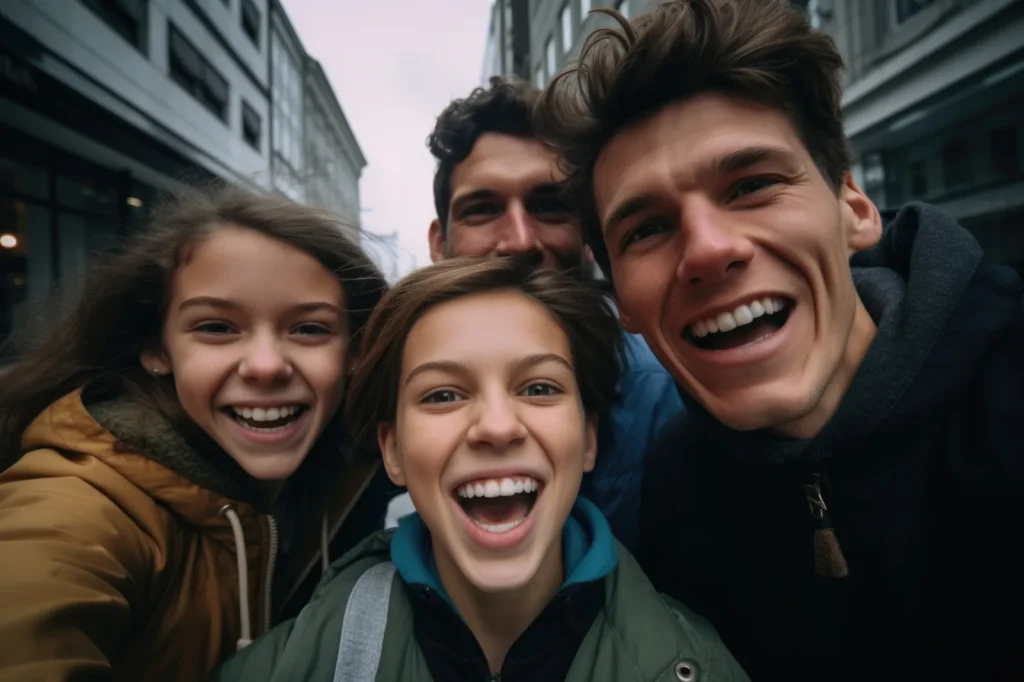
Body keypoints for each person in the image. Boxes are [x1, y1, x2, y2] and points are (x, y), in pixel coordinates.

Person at [536, 1, 1024, 680]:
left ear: (855, 209)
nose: (708, 249)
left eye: (753, 185)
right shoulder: (673, 497)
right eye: (645, 229)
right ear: (622, 302)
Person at [212, 256, 748, 682]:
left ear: (588, 439)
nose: (496, 426)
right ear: (393, 452)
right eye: (443, 394)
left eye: (539, 387)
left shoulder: (703, 666)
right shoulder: (281, 668)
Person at [0, 184, 389, 681]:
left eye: (309, 329)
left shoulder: (347, 467)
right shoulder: (76, 512)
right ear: (156, 349)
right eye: (217, 328)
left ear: (355, 353)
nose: (266, 366)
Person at [403, 76, 683, 549]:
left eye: (550, 206)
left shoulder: (668, 396)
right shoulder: (385, 391)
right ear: (438, 243)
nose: (519, 241)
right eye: (483, 209)